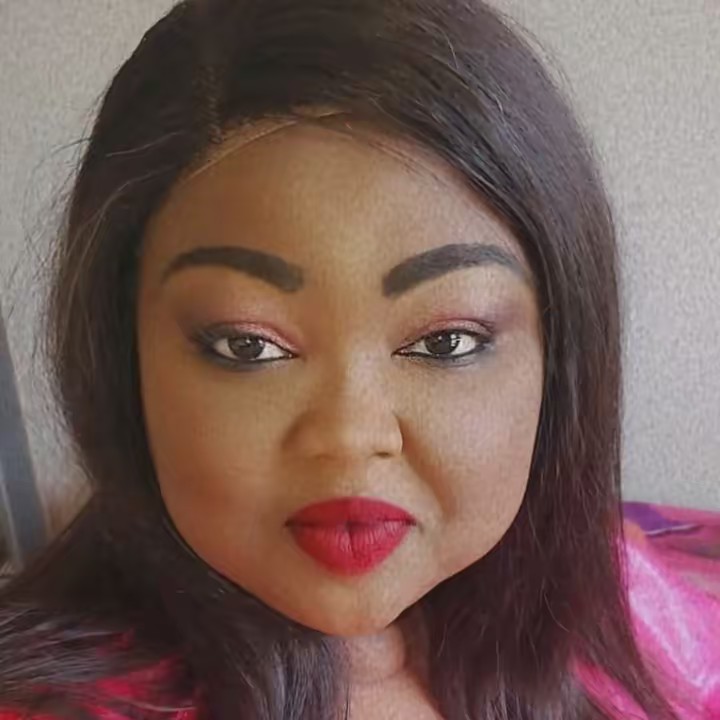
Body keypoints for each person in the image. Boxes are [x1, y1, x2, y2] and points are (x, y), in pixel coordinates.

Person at [0, 1, 717, 718]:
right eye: (248, 344)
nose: (350, 436)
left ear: (557, 359)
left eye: (446, 342)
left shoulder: (624, 604)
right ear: (124, 358)